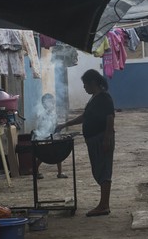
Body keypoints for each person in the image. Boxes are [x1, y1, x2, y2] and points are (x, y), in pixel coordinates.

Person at [58, 69, 114, 217]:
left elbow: (110, 118)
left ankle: (104, 205)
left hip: (101, 139)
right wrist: (65, 124)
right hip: (94, 139)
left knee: (104, 170)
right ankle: (103, 204)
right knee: (99, 169)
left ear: (93, 83)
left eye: (85, 84)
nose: (84, 87)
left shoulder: (104, 98)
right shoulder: (95, 98)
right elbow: (85, 117)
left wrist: (107, 138)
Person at [32, 93, 67, 179]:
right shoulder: (42, 115)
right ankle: (35, 171)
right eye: (50, 102)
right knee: (43, 156)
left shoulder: (53, 114)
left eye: (53, 102)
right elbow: (41, 128)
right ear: (44, 104)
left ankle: (60, 172)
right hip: (44, 138)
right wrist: (46, 136)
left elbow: (54, 125)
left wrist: (57, 130)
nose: (52, 104)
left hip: (52, 137)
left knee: (58, 153)